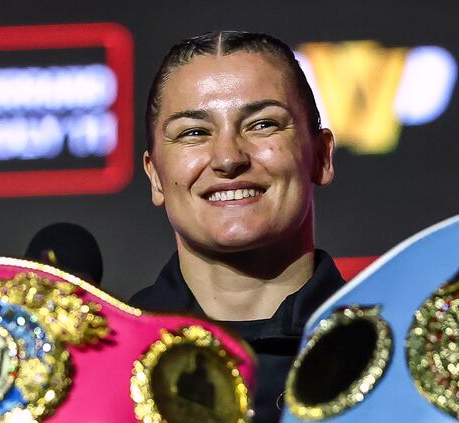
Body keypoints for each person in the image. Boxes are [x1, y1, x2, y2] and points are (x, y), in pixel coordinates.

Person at [129, 31, 345, 422]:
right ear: (156, 177)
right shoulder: (106, 361)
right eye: (194, 132)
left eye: (262, 125)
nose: (228, 158)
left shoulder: (392, 352)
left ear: (321, 157)